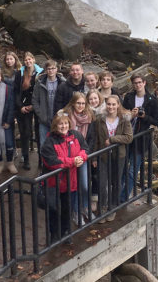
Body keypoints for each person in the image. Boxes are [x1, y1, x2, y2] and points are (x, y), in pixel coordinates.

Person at [41, 114, 88, 241]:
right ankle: (54, 234)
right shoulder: (49, 141)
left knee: (68, 208)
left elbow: (84, 148)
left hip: (71, 181)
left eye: (66, 123)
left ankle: (66, 232)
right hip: (54, 183)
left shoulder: (76, 135)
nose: (64, 126)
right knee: (53, 210)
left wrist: (81, 158)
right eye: (60, 124)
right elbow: (52, 162)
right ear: (55, 126)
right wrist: (72, 161)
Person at [93, 95, 132, 222]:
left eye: (113, 104)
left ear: (118, 105)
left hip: (118, 155)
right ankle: (103, 208)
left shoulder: (124, 120)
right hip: (103, 156)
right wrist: (94, 157)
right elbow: (97, 140)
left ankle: (113, 207)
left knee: (116, 182)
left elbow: (128, 137)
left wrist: (112, 139)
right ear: (106, 105)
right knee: (102, 183)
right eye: (109, 104)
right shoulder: (100, 119)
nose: (111, 107)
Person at [122, 74, 158, 201]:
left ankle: (122, 198)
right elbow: (122, 116)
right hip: (127, 137)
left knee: (133, 170)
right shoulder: (128, 97)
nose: (137, 85)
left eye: (139, 82)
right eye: (135, 83)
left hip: (141, 139)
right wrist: (131, 115)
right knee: (122, 168)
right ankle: (118, 194)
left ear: (144, 83)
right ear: (133, 84)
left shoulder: (152, 100)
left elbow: (157, 121)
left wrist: (144, 117)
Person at [61, 92, 96, 224]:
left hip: (83, 155)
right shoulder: (66, 116)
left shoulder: (90, 116)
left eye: (83, 103)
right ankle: (75, 212)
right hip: (70, 157)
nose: (80, 106)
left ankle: (85, 208)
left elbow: (92, 138)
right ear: (73, 103)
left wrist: (84, 154)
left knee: (85, 185)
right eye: (78, 103)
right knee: (74, 186)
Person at [14, 52, 43, 170]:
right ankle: (26, 158)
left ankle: (41, 159)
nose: (28, 61)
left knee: (39, 132)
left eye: (30, 59)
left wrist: (34, 105)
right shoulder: (19, 73)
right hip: (24, 105)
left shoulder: (41, 73)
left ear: (34, 60)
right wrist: (20, 106)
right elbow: (16, 91)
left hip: (37, 105)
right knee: (25, 132)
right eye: (26, 60)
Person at [32, 60, 65, 151]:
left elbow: (67, 100)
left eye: (53, 68)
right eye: (49, 69)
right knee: (44, 144)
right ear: (46, 70)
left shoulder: (62, 82)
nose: (51, 71)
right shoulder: (40, 83)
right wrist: (41, 114)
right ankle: (45, 164)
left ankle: (59, 165)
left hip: (58, 119)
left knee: (59, 144)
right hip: (44, 120)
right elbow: (35, 100)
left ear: (56, 69)